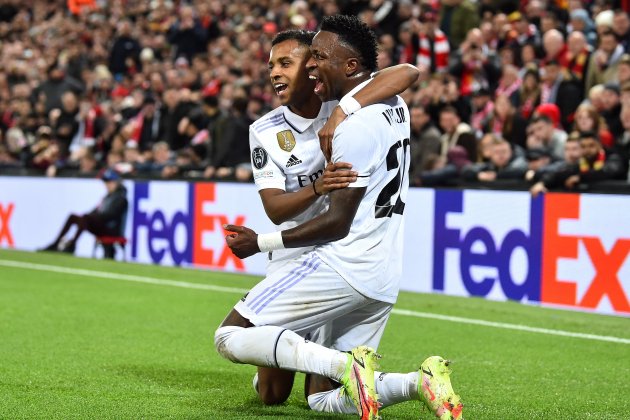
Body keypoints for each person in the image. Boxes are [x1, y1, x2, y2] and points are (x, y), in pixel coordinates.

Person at [215, 16, 463, 420]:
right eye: (272, 65)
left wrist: (343, 111)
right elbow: (275, 207)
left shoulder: (346, 112)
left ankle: (342, 365)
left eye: (306, 59)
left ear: (342, 67)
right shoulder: (276, 126)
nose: (283, 71)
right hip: (377, 271)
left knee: (229, 336)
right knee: (305, 398)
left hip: (336, 258)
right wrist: (317, 186)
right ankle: (418, 383)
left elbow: (407, 71)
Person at [39, 169, 128, 257]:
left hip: (111, 229)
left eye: (109, 183)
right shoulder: (107, 197)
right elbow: (95, 211)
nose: (107, 185)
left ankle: (72, 244)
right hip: (101, 225)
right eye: (106, 183)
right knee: (73, 217)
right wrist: (88, 216)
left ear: (116, 183)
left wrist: (91, 216)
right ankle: (56, 243)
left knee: (85, 218)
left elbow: (111, 216)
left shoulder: (121, 199)